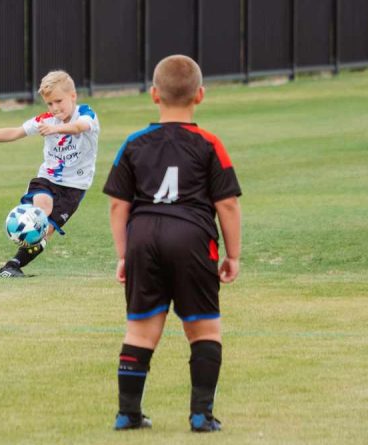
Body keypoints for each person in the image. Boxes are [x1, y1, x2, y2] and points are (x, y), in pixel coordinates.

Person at [102, 55, 242, 432]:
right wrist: (233, 255)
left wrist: (123, 254)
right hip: (193, 238)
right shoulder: (210, 144)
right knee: (205, 330)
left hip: (143, 238)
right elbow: (226, 203)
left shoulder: (133, 143)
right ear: (200, 95)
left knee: (140, 331)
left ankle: (127, 413)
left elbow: (118, 203)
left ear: (153, 95)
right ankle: (201, 415)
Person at [0, 71, 100, 277]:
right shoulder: (46, 119)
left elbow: (80, 127)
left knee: (46, 231)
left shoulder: (86, 113)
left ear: (73, 96)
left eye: (58, 101)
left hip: (75, 186)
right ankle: (19, 241)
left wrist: (57, 130)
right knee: (41, 211)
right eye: (49, 104)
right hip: (47, 179)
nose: (54, 108)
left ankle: (13, 264)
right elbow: (16, 132)